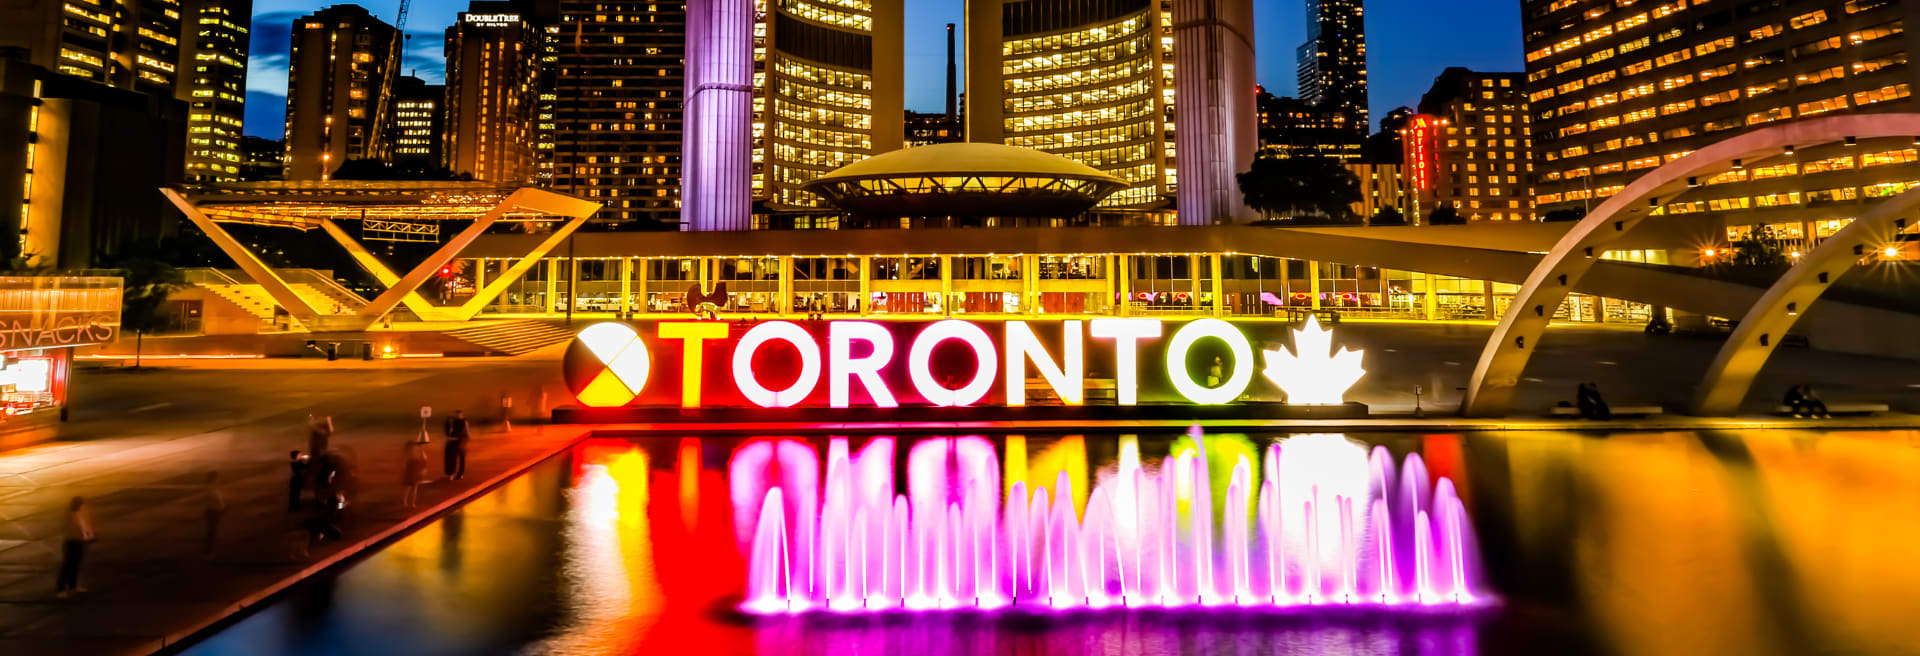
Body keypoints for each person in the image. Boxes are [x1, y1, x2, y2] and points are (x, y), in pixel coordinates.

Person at [55, 497, 93, 598]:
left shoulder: (79, 514)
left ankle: (73, 586)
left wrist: (88, 536)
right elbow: (70, 529)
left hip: (78, 542)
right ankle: (60, 589)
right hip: (71, 542)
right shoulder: (69, 515)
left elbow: (85, 527)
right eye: (80, 505)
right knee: (68, 565)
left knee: (75, 565)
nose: (82, 507)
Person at [202, 472, 226, 557]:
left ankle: (209, 550)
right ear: (213, 479)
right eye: (217, 477)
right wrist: (222, 507)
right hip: (213, 512)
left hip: (214, 511)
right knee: (212, 531)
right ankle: (208, 551)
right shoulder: (210, 489)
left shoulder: (211, 488)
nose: (219, 479)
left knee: (212, 531)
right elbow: (216, 500)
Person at [402, 436, 430, 509]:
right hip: (413, 469)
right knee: (412, 487)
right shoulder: (416, 452)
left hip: (415, 469)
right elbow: (424, 460)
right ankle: (409, 502)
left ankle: (409, 502)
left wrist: (423, 469)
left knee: (412, 487)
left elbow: (423, 460)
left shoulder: (414, 452)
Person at [444, 410, 470, 480]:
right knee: (454, 458)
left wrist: (466, 440)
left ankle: (460, 474)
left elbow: (466, 431)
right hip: (455, 441)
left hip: (461, 441)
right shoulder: (454, 421)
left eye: (459, 415)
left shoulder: (463, 421)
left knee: (461, 458)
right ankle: (452, 473)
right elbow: (450, 431)